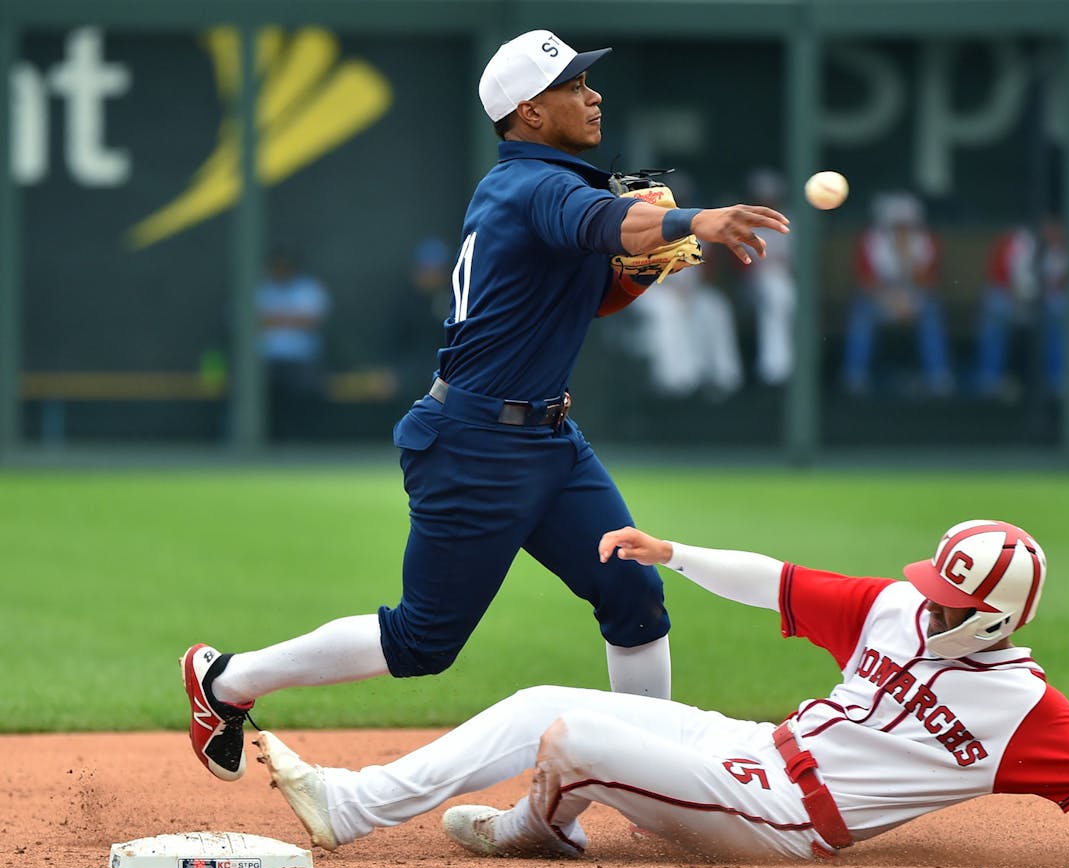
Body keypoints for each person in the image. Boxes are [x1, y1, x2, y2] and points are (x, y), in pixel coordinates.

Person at [181, 29, 789, 782]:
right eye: (572, 86)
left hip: (550, 442)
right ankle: (226, 681)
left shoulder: (544, 185)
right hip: (475, 444)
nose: (592, 94)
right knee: (422, 642)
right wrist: (691, 219)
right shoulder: (535, 187)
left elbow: (587, 297)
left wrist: (635, 276)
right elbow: (604, 223)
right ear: (529, 113)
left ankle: (652, 774)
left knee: (632, 588)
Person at [253, 519, 1069, 868]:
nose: (929, 598)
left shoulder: (1019, 705)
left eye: (953, 595)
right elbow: (772, 578)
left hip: (780, 821)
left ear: (994, 616)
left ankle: (540, 822)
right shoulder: (899, 610)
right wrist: (669, 550)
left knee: (573, 732)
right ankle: (362, 805)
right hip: (755, 748)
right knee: (541, 692)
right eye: (936, 582)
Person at [841, 193, 952, 397]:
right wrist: (890, 298)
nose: (902, 229)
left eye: (906, 225)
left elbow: (929, 279)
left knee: (932, 311)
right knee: (861, 312)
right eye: (897, 225)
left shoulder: (926, 240)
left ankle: (938, 378)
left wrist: (906, 257)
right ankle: (855, 376)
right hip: (880, 299)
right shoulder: (871, 240)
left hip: (915, 298)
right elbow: (865, 279)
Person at [972, 216, 1069, 401]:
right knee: (994, 308)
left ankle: (1058, 380)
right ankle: (989, 380)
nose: (1052, 230)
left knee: (1060, 310)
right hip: (1012, 301)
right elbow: (997, 276)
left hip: (1044, 304)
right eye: (1049, 226)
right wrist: (1016, 293)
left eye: (1057, 227)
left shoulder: (1063, 246)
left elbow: (1062, 284)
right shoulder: (1015, 241)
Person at [633, 254, 744, 401]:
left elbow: (701, 266)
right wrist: (669, 286)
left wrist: (688, 286)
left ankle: (723, 376)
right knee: (670, 308)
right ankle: (674, 380)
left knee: (715, 305)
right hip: (643, 291)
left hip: (688, 289)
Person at [257, 247, 332, 430]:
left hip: (303, 360)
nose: (282, 270)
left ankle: (304, 438)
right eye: (278, 266)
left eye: (286, 266)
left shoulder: (309, 288)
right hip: (263, 360)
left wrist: (272, 318)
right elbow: (246, 320)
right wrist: (292, 318)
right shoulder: (258, 289)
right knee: (255, 386)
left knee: (307, 388)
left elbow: (311, 320)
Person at [741, 168, 796, 387]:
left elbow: (802, 266)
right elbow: (742, 267)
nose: (767, 203)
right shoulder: (743, 222)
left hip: (788, 286)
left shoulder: (792, 222)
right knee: (775, 293)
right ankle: (776, 368)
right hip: (752, 287)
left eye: (771, 198)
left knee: (781, 295)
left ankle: (779, 366)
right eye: (762, 199)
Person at [386, 237, 452, 402]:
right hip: (406, 377)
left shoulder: (453, 301)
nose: (431, 275)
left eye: (436, 270)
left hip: (444, 377)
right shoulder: (403, 303)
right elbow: (394, 343)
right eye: (426, 269)